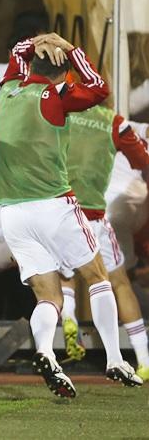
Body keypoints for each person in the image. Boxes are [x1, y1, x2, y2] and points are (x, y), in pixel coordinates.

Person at [0, 32, 142, 398]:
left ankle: (45, 352)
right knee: (98, 276)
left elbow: (15, 52)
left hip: (12, 213)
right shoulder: (56, 96)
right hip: (52, 204)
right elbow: (98, 89)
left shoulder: (8, 90)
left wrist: (35, 42)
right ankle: (113, 358)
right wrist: (71, 49)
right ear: (64, 75)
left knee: (49, 296)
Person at [60, 109, 149, 381]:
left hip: (65, 209)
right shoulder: (116, 123)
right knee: (118, 281)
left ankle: (69, 319)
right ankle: (143, 359)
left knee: (65, 273)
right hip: (106, 211)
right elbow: (141, 158)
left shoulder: (59, 115)